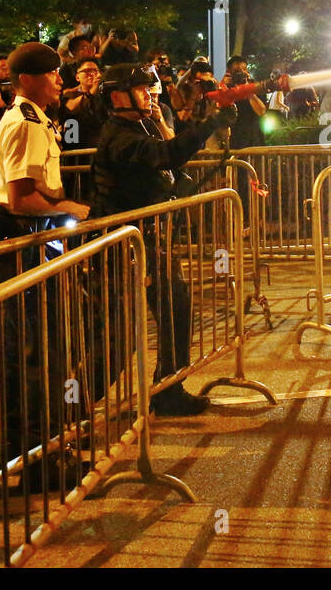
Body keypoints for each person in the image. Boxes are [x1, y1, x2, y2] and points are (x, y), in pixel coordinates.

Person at [91, 64, 237, 416]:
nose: (149, 95)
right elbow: (164, 156)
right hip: (122, 247)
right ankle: (66, 414)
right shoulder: (119, 135)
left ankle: (169, 388)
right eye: (140, 90)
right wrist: (210, 125)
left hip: (149, 242)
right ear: (117, 97)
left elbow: (170, 162)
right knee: (117, 338)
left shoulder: (139, 124)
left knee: (175, 308)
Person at [0, 42, 91, 468]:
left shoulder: (33, 118)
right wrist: (71, 209)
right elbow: (21, 199)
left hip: (30, 238)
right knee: (33, 351)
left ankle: (39, 446)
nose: (61, 80)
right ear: (27, 79)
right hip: (24, 238)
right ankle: (35, 456)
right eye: (53, 73)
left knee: (36, 346)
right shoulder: (26, 123)